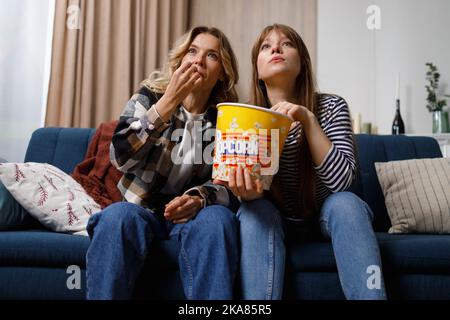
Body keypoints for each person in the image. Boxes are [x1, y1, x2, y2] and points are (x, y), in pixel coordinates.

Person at [216, 24, 387, 300]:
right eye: (266, 46)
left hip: (325, 214)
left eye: (286, 44)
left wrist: (308, 119)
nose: (275, 48)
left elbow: (341, 182)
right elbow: (234, 186)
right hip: (272, 220)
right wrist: (247, 195)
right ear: (257, 71)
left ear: (303, 63)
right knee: (252, 212)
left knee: (347, 203)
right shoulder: (244, 118)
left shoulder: (331, 107)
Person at [85, 26, 241, 300]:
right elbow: (119, 155)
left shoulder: (226, 119)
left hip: (193, 217)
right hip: (140, 209)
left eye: (211, 56)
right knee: (116, 217)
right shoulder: (150, 96)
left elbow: (230, 187)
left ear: (222, 74)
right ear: (180, 60)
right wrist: (168, 103)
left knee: (218, 219)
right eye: (192, 51)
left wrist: (199, 198)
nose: (198, 61)